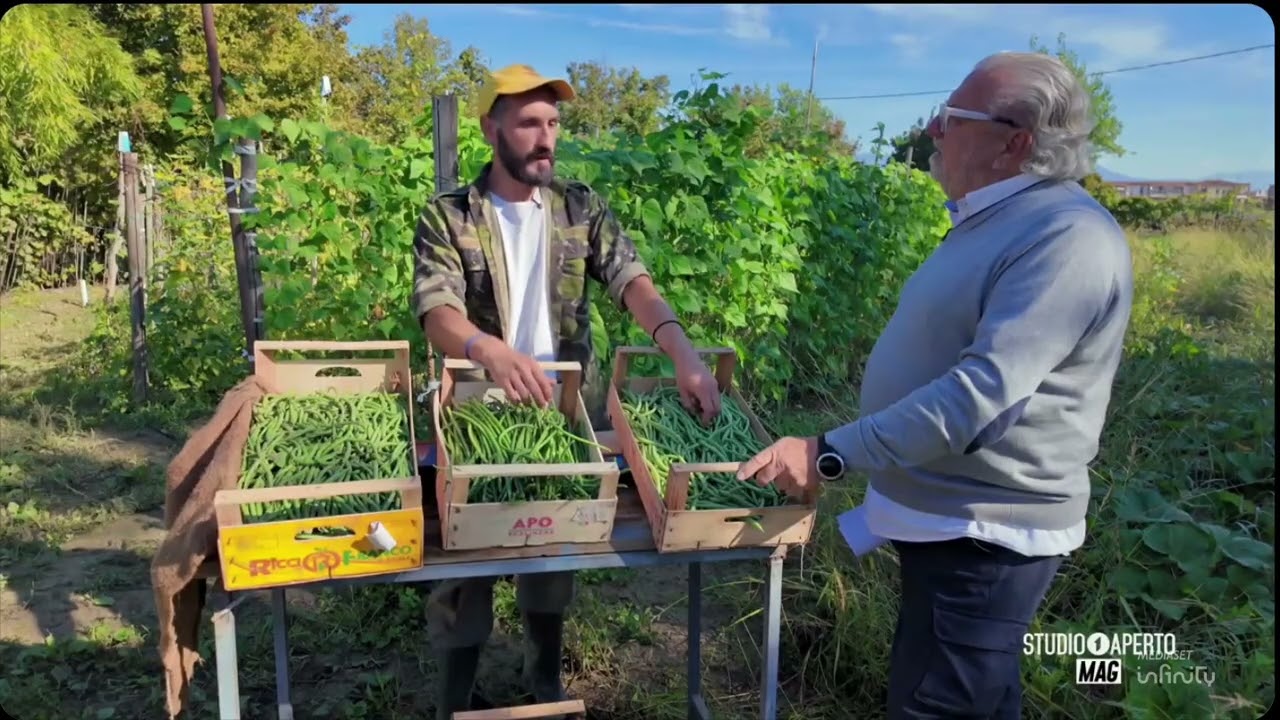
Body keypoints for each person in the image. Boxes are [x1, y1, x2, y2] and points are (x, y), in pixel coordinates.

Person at [736, 51, 1134, 719]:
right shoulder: (997, 218)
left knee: (941, 705)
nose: (934, 128)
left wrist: (828, 451)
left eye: (953, 116)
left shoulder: (1068, 238)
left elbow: (980, 398)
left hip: (984, 539)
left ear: (1017, 142)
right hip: (952, 528)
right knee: (969, 696)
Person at [411, 63, 723, 720]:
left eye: (553, 123)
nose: (545, 136)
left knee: (553, 549)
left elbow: (632, 281)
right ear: (491, 128)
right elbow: (437, 310)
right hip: (476, 413)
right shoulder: (450, 217)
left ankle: (544, 681)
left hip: (558, 414)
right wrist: (487, 350)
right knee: (467, 559)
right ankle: (454, 698)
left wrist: (684, 353)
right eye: (529, 122)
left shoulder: (581, 209)